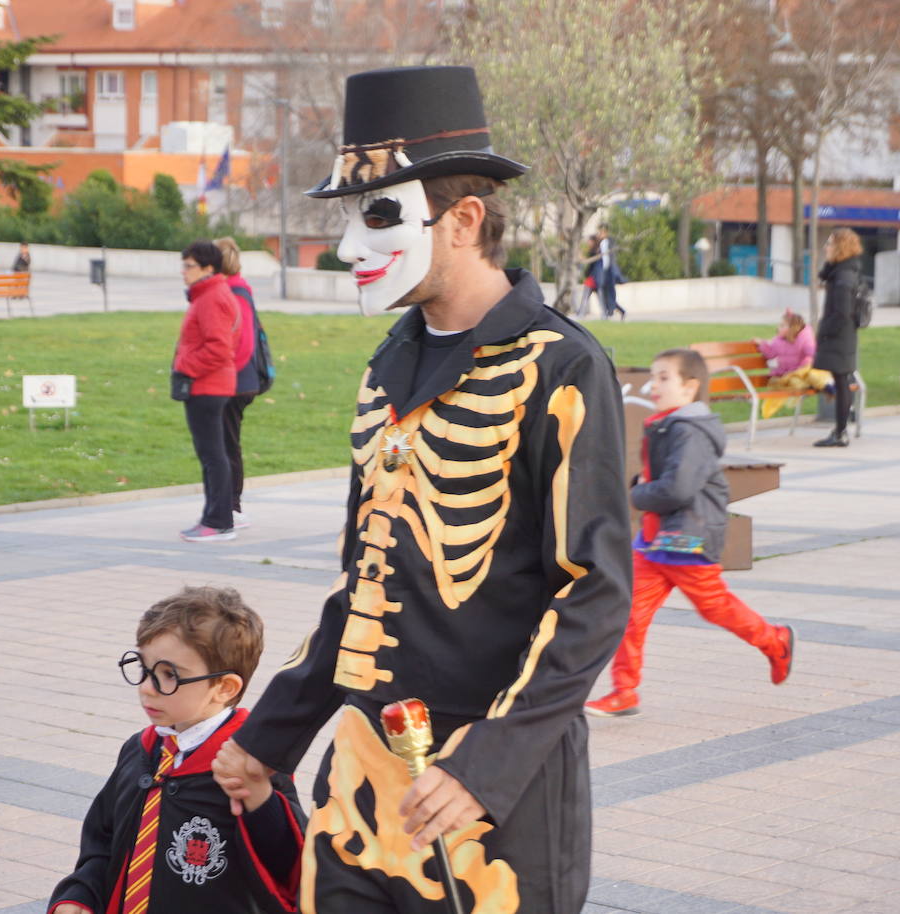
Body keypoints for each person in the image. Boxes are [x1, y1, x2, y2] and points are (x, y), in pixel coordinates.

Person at [212, 65, 631, 914]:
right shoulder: (386, 368)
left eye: (378, 215)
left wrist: (488, 764)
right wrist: (270, 737)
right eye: (349, 217)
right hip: (360, 787)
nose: (348, 247)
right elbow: (363, 583)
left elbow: (594, 594)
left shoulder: (562, 366)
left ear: (465, 219)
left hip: (490, 797)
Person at [48, 586, 306, 914]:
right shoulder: (140, 751)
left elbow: (289, 863)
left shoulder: (251, 765)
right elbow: (103, 841)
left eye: (169, 675)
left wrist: (260, 798)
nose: (146, 688)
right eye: (143, 668)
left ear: (224, 687)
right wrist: (79, 895)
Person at [585, 349, 793, 718]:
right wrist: (642, 484)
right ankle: (625, 691)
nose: (653, 385)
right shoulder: (669, 423)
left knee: (715, 607)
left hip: (687, 537)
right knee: (629, 611)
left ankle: (775, 640)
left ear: (690, 387)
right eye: (654, 376)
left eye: (664, 377)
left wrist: (636, 493)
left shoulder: (689, 431)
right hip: (656, 539)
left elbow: (677, 489)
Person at [174, 240, 240, 542]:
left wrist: (185, 366)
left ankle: (218, 521)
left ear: (208, 268)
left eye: (189, 266)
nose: (183, 272)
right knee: (211, 455)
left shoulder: (212, 297)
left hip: (208, 386)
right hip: (207, 385)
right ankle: (214, 517)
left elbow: (218, 348)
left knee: (213, 455)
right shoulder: (207, 295)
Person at [214, 236, 264, 529]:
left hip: (234, 383)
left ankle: (232, 507)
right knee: (224, 443)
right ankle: (227, 505)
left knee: (226, 445)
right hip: (235, 381)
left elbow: (243, 345)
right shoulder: (234, 290)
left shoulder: (235, 292)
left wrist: (223, 378)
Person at [813, 228, 864, 447]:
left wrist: (824, 332)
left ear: (841, 247)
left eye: (830, 244)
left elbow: (842, 312)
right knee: (842, 381)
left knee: (842, 382)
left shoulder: (843, 276)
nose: (826, 247)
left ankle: (840, 432)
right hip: (843, 336)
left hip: (839, 337)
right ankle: (840, 430)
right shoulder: (841, 271)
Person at [752, 310, 828, 419]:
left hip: (801, 373)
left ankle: (827, 386)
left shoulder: (804, 339)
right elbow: (771, 353)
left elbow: (810, 354)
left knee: (811, 375)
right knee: (788, 382)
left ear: (792, 328)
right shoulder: (777, 341)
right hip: (785, 376)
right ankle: (769, 408)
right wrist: (762, 344)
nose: (779, 327)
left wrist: (805, 365)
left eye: (782, 325)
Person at [595, 224, 626, 320]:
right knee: (605, 292)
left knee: (610, 292)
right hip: (604, 271)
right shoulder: (601, 243)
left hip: (609, 270)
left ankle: (611, 311)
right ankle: (617, 310)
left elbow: (609, 258)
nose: (599, 234)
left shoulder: (609, 241)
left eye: (601, 232)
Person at [576, 234, 599, 318]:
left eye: (589, 241)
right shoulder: (594, 251)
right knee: (596, 297)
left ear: (593, 241)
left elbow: (587, 262)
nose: (588, 243)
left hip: (591, 278)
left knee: (585, 296)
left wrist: (581, 256)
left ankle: (581, 313)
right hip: (592, 278)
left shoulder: (594, 252)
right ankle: (581, 312)